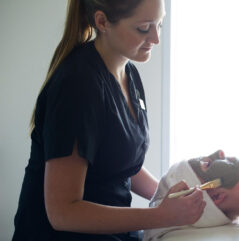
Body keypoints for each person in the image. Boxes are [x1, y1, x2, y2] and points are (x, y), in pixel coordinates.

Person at [12, 0, 206, 240]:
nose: (156, 38)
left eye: (160, 25)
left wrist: (169, 194)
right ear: (102, 22)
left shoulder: (128, 73)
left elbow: (119, 160)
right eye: (144, 28)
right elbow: (63, 213)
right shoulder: (78, 85)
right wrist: (163, 215)